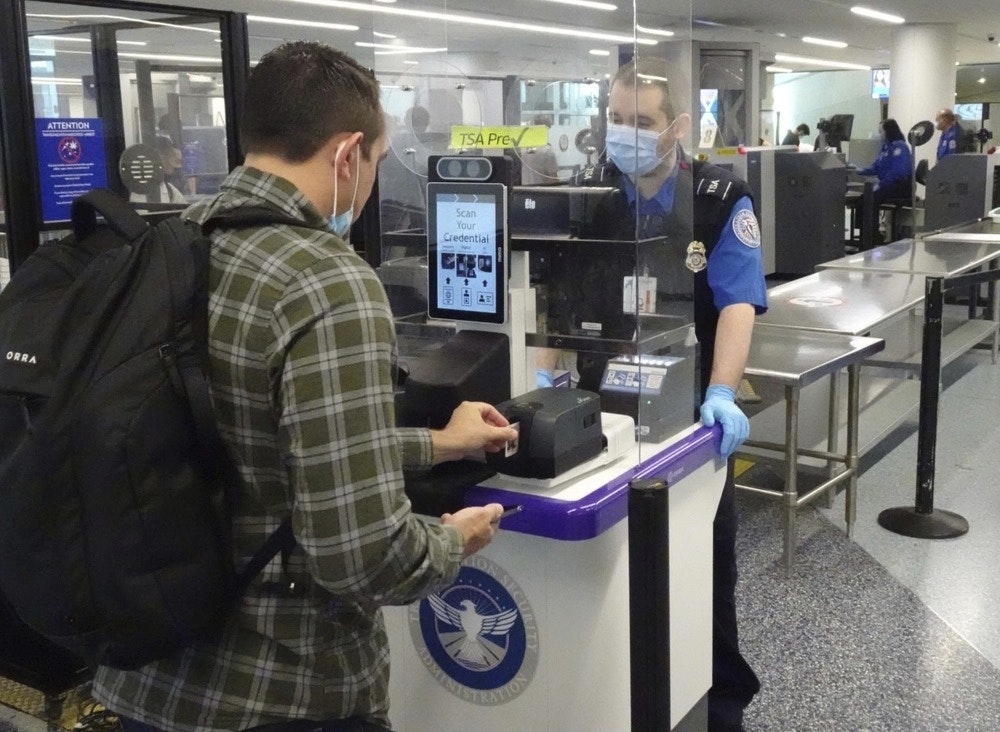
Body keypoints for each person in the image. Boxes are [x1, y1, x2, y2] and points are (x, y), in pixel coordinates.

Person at [92, 41, 518, 732]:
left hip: (148, 674)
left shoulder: (160, 250)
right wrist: (450, 542)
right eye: (378, 162)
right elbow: (361, 555)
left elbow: (241, 436)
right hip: (282, 688)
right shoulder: (327, 280)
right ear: (349, 154)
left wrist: (435, 444)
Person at [542, 56, 767, 731]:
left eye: (639, 122)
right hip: (599, 404)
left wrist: (723, 394)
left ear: (676, 128)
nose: (623, 133)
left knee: (705, 559)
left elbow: (736, 305)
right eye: (614, 119)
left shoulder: (720, 200)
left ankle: (720, 702)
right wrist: (548, 377)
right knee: (603, 561)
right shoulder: (593, 195)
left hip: (691, 409)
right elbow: (561, 298)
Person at [855, 117, 913, 240]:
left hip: (899, 186)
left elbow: (898, 173)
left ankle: (870, 235)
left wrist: (880, 185)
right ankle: (865, 232)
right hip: (889, 184)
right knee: (863, 198)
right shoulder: (886, 148)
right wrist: (858, 170)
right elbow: (875, 167)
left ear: (889, 131)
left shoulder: (900, 147)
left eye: (881, 131)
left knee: (870, 198)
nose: (879, 135)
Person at [130, 136, 188, 205]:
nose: (174, 165)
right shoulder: (140, 191)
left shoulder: (169, 189)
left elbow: (184, 209)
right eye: (169, 156)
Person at [520, 113, 560, 185]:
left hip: (520, 191)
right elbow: (553, 180)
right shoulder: (547, 151)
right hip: (539, 193)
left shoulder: (521, 149)